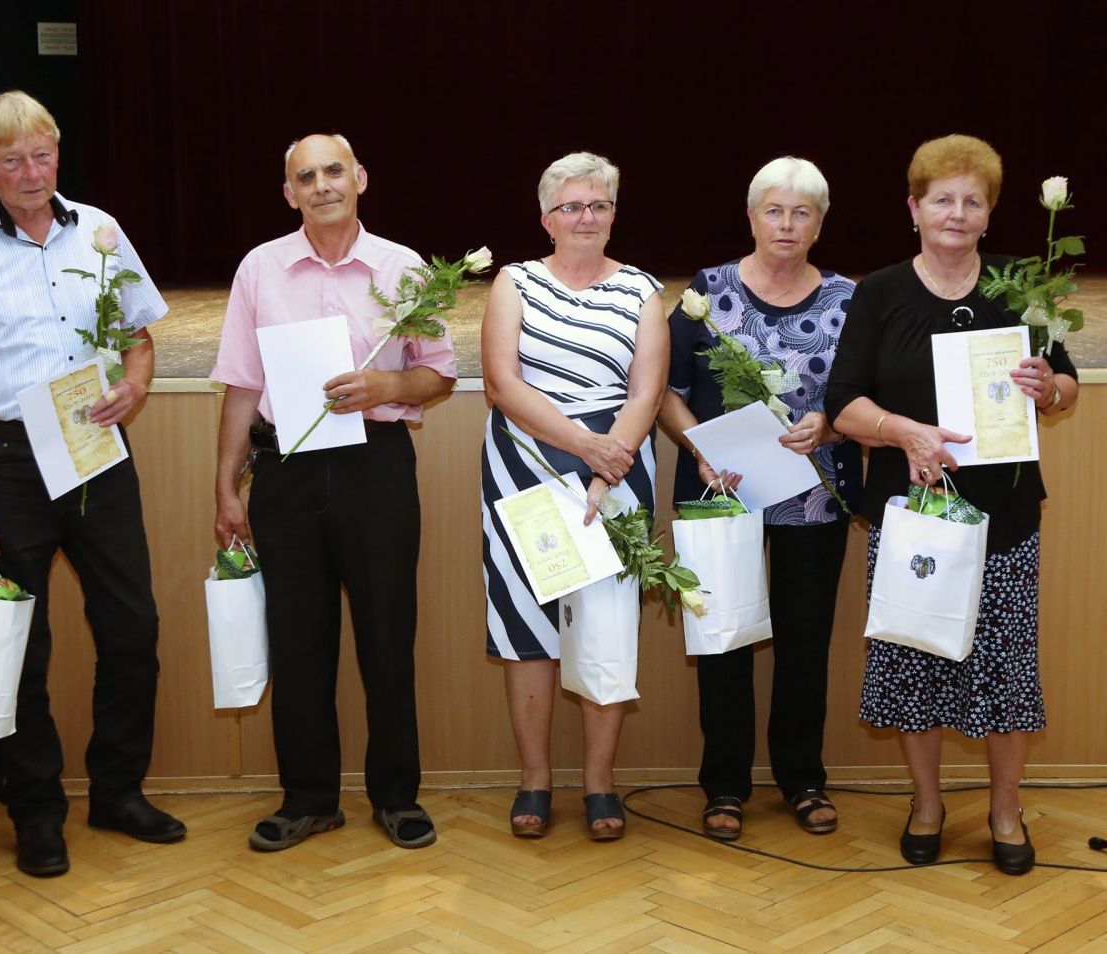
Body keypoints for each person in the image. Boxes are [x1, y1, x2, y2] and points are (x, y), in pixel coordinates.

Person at [0, 91, 184, 878]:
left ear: (58, 153)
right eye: (12, 161)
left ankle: (118, 792)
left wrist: (135, 384)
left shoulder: (100, 230)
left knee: (132, 628)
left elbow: (139, 339)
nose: (32, 174)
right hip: (4, 461)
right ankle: (35, 812)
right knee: (18, 647)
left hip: (95, 448)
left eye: (42, 155)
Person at [826, 134, 1079, 875]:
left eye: (973, 201)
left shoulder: (1018, 286)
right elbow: (843, 403)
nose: (956, 214)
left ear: (989, 214)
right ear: (914, 208)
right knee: (915, 664)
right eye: (942, 200)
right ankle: (928, 805)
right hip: (913, 518)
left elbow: (1067, 386)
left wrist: (1049, 388)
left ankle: (1005, 810)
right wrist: (902, 432)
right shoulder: (879, 293)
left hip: (1005, 517)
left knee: (1007, 671)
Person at [212, 134, 455, 851]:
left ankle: (397, 797)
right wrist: (225, 485)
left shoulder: (403, 268)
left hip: (375, 469)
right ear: (289, 193)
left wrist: (386, 385)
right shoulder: (259, 268)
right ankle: (308, 799)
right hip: (284, 472)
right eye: (305, 176)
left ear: (360, 179)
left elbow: (438, 374)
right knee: (297, 645)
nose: (321, 185)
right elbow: (241, 385)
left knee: (388, 639)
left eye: (333, 171)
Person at [659, 157, 860, 841]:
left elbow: (863, 397)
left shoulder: (846, 299)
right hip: (723, 493)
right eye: (774, 210)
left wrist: (829, 424)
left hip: (813, 497)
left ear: (820, 224)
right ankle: (724, 785)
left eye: (802, 213)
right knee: (724, 638)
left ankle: (803, 778)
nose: (787, 224)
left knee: (805, 640)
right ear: (751, 217)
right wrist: (699, 447)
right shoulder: (707, 292)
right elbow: (667, 391)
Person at [480, 152, 667, 840]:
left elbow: (646, 392)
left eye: (598, 205)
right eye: (570, 206)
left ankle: (599, 783)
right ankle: (534, 780)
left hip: (617, 466)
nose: (585, 217)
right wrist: (584, 445)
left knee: (605, 624)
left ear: (613, 214)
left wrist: (605, 464)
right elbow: (501, 383)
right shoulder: (514, 281)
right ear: (546, 219)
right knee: (526, 628)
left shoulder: (643, 290)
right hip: (524, 464)